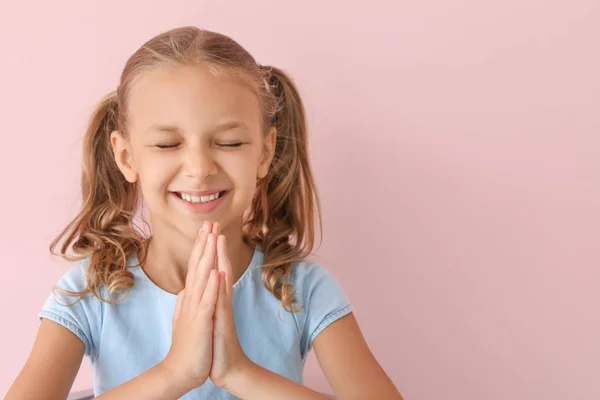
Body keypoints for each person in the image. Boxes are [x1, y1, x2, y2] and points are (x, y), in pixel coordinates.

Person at [6, 26, 403, 400]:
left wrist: (239, 372)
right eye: (167, 144)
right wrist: (175, 374)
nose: (199, 168)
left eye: (229, 142)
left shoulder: (302, 289)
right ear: (126, 157)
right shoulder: (88, 292)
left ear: (264, 152)